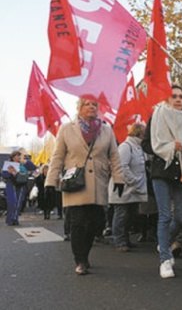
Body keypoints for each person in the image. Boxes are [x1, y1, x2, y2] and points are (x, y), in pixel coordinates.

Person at [45, 98, 125, 275]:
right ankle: (80, 260)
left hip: (98, 183)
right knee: (78, 223)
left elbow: (114, 156)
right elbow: (57, 157)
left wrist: (119, 178)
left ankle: (85, 254)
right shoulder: (67, 129)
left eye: (94, 104)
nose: (91, 107)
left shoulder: (106, 129)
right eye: (87, 104)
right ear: (79, 108)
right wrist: (50, 182)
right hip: (75, 184)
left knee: (95, 224)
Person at [142, 85, 182, 279]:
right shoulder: (157, 116)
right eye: (173, 96)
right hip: (162, 172)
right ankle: (165, 260)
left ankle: (164, 240)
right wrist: (168, 147)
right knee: (165, 216)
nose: (178, 100)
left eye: (181, 97)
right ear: (167, 100)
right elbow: (147, 145)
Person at [110, 123, 148, 252]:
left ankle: (125, 239)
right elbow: (122, 166)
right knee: (121, 214)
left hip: (133, 188)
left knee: (130, 215)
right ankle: (119, 241)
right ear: (139, 134)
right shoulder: (126, 147)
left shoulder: (137, 147)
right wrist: (133, 180)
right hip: (125, 188)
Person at [2, 150, 36, 226]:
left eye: (20, 156)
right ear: (13, 157)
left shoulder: (22, 164)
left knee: (18, 203)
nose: (19, 157)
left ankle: (15, 219)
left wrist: (26, 162)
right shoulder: (8, 164)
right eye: (18, 156)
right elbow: (4, 175)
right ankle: (10, 219)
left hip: (20, 185)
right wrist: (10, 173)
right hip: (11, 184)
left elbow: (33, 168)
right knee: (12, 202)